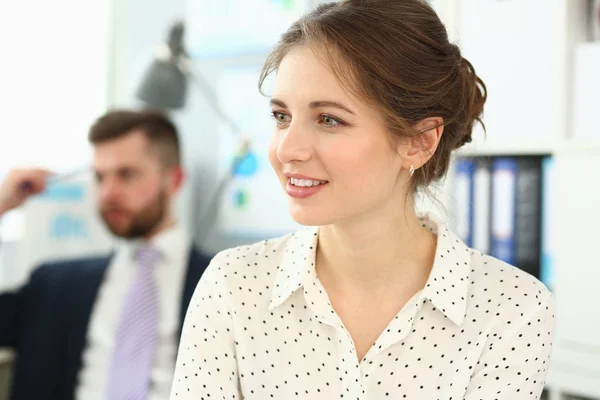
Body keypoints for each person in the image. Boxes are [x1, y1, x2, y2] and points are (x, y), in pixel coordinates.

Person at [170, 1, 555, 399]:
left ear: (419, 142)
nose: (288, 150)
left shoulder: (513, 310)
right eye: (282, 116)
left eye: (329, 120)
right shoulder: (234, 285)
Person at [0, 110, 212, 400]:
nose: (107, 194)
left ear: (174, 180)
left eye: (127, 175)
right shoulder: (53, 285)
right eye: (100, 177)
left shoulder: (225, 281)